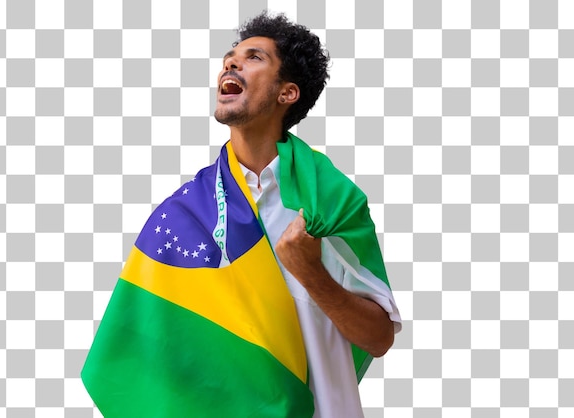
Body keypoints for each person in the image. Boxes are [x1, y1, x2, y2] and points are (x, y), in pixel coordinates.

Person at [82, 11, 401, 418]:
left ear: (287, 93)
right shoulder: (181, 215)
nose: (231, 63)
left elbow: (378, 338)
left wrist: (311, 272)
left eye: (254, 57)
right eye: (230, 57)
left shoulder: (330, 203)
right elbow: (149, 350)